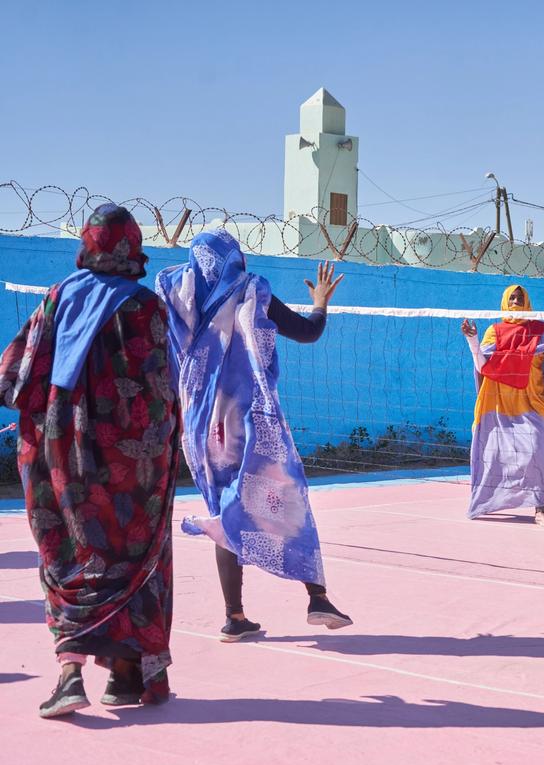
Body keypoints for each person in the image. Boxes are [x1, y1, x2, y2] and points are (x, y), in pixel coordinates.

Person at [0, 204, 179, 716]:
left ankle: (71, 673)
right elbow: (162, 391)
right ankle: (127, 675)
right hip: (133, 464)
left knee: (68, 552)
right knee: (131, 554)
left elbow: (15, 377)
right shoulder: (146, 306)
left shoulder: (58, 298)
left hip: (61, 456)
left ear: (89, 244)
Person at [156, 230, 352, 643]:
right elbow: (306, 331)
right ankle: (317, 597)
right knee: (287, 491)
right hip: (246, 418)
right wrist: (320, 303)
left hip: (199, 426)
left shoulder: (175, 295)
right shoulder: (250, 291)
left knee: (223, 507)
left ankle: (235, 617)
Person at [461, 285, 544, 526]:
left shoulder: (539, 329)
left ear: (528, 301)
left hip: (530, 400)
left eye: (520, 297)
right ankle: (485, 501)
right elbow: (481, 365)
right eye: (512, 297)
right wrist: (472, 340)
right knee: (492, 454)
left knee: (535, 452)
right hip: (496, 401)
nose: (516, 300)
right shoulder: (494, 330)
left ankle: (540, 508)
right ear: (504, 301)